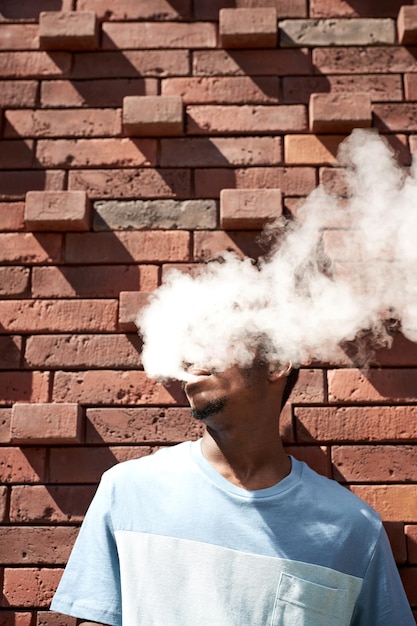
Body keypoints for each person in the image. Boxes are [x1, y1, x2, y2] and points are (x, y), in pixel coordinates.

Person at [51, 356, 415, 625]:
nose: (189, 355)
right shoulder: (128, 490)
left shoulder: (352, 526)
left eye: (213, 329)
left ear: (276, 362)